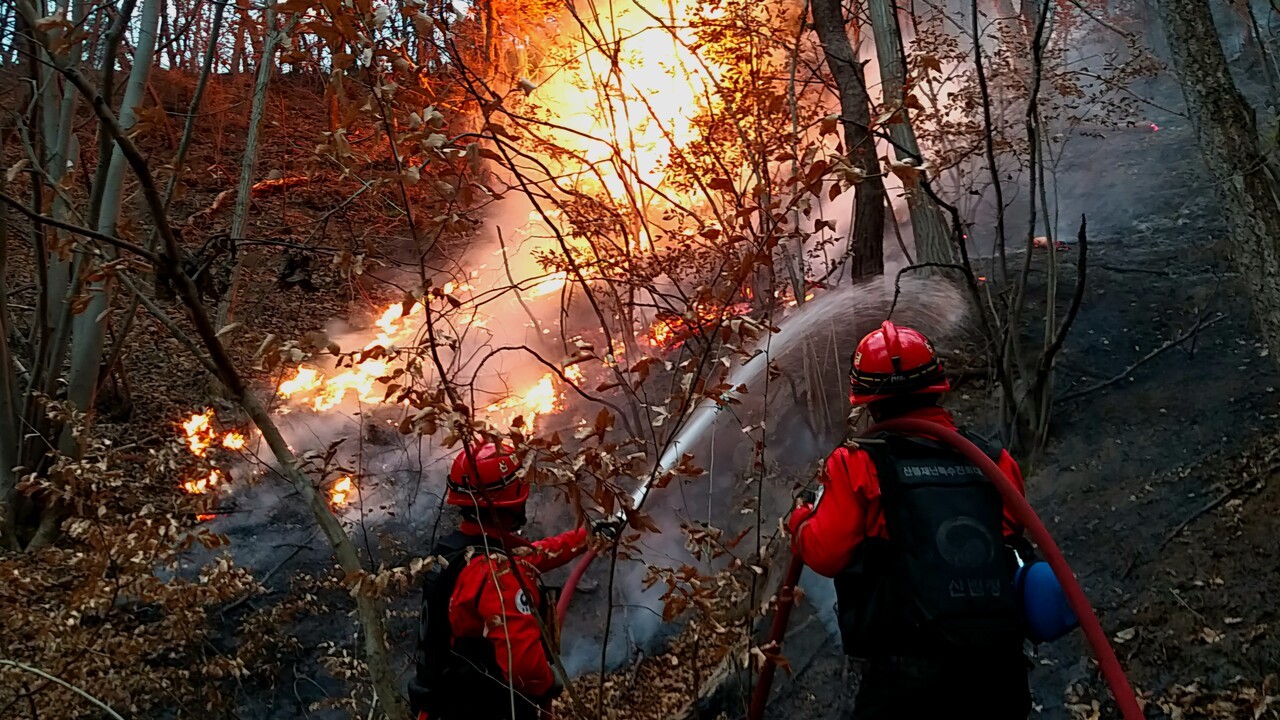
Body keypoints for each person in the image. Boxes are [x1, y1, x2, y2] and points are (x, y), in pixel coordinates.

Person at [787, 321, 1034, 720]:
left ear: (867, 401)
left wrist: (800, 521)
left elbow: (826, 554)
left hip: (909, 674)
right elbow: (1009, 535)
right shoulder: (993, 460)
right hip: (998, 667)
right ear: (938, 386)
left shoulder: (857, 464)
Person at [408, 441, 618, 720]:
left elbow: (531, 556)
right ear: (514, 500)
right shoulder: (499, 576)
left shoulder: (458, 553)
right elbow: (524, 667)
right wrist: (547, 682)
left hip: (441, 705)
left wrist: (587, 537)